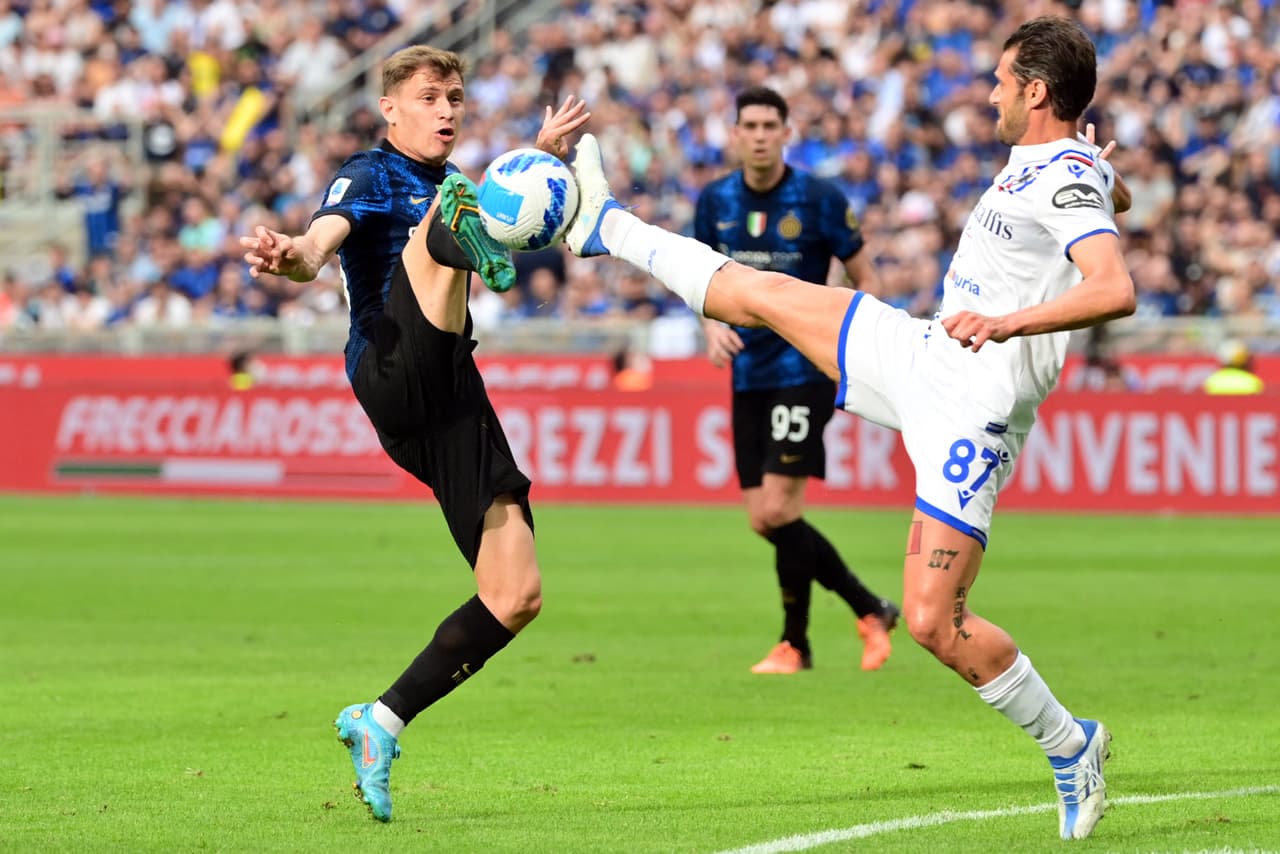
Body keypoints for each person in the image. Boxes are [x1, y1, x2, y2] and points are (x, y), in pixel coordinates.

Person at [563, 16, 1132, 841]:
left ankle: (1070, 744)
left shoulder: (1060, 171)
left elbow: (1113, 287)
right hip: (924, 352)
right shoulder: (1051, 166)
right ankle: (604, 224)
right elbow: (1098, 200)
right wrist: (1110, 188)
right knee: (764, 294)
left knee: (935, 621)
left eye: (1003, 81)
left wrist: (1012, 324)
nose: (990, 92)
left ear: (1036, 92)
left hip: (973, 414)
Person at [239, 45, 589, 822]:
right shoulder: (368, 173)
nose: (447, 110)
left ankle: (381, 720)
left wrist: (539, 163)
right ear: (391, 108)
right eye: (431, 97)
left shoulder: (455, 177)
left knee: (516, 593)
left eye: (456, 97)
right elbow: (318, 245)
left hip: (453, 395)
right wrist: (291, 256)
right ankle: (481, 245)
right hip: (391, 363)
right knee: (447, 210)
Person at [693, 85, 899, 675]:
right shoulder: (714, 202)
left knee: (780, 509)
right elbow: (699, 281)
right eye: (749, 125)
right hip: (746, 373)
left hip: (803, 368)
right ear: (734, 134)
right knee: (764, 516)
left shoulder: (820, 198)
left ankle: (800, 641)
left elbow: (864, 275)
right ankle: (862, 611)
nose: (759, 135)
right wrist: (710, 329)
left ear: (787, 133)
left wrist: (857, 348)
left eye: (769, 125)